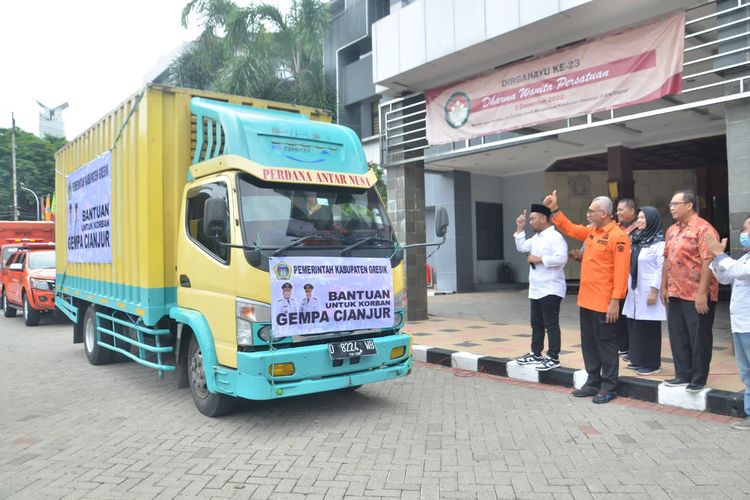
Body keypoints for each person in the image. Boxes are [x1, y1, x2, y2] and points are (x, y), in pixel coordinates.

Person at [544, 190, 631, 404]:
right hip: (587, 300)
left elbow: (621, 273)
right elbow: (571, 229)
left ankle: (609, 386)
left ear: (604, 213)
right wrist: (555, 210)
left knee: (606, 344)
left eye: (592, 211)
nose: (589, 214)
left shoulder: (617, 236)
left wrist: (615, 301)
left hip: (605, 303)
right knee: (589, 343)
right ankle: (593, 382)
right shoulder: (593, 231)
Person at [660, 190, 719, 393]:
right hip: (676, 291)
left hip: (696, 293)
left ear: (689, 205)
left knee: (698, 337)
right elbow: (667, 258)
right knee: (678, 335)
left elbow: (708, 262)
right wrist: (664, 286)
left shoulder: (704, 229)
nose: (672, 208)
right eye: (671, 204)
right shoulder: (671, 230)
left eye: (676, 204)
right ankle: (682, 374)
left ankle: (698, 378)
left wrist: (702, 293)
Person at [513, 204, 568, 371]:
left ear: (543, 219)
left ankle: (553, 357)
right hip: (536, 288)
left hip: (551, 287)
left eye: (532, 219)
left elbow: (562, 258)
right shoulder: (536, 238)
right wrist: (519, 228)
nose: (530, 221)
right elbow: (522, 247)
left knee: (551, 324)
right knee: (536, 323)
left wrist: (541, 259)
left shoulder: (555, 237)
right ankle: (536, 353)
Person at [707, 215, 750, 430]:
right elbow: (726, 277)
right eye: (743, 229)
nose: (744, 234)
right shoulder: (744, 257)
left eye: (747, 229)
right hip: (741, 324)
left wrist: (719, 254)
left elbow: (739, 272)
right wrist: (717, 259)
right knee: (746, 372)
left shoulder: (743, 263)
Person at [622, 207, 666, 375]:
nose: (638, 221)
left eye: (642, 218)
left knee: (650, 326)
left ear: (652, 220)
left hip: (649, 289)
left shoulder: (658, 243)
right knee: (636, 324)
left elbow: (661, 268)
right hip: (635, 289)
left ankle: (652, 363)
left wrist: (654, 291)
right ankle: (638, 358)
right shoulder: (637, 239)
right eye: (638, 218)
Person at [615, 198, 638, 356]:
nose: (618, 213)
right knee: (620, 312)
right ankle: (622, 344)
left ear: (632, 211)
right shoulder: (616, 228)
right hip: (618, 276)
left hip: (632, 276)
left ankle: (632, 346)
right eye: (617, 210)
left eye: (621, 210)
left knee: (630, 313)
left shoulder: (638, 229)